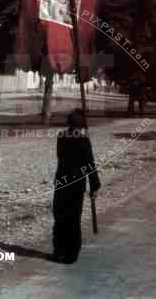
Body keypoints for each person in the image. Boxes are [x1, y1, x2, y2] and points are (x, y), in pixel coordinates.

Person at [52, 108, 101, 264]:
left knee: (60, 216)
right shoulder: (83, 140)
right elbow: (89, 164)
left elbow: (60, 156)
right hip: (76, 183)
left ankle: (59, 251)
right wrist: (95, 185)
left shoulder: (62, 137)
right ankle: (71, 253)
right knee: (73, 218)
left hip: (61, 180)